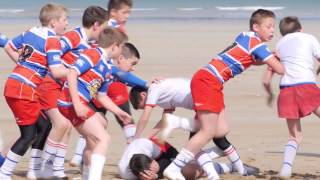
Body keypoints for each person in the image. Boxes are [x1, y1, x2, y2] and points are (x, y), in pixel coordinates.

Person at [163, 9, 285, 180]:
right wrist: (287, 58)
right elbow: (280, 69)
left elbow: (253, 60)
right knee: (207, 131)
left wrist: (270, 56)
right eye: (269, 26)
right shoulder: (256, 44)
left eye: (274, 27)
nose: (273, 30)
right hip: (208, 81)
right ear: (256, 27)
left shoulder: (245, 36)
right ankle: (175, 167)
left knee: (221, 130)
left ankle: (187, 134)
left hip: (211, 81)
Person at [36, 6, 109, 178]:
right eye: (105, 28)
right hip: (51, 84)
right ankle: (45, 167)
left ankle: (59, 170)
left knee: (88, 124)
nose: (106, 32)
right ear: (97, 25)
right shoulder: (74, 36)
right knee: (62, 124)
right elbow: (53, 53)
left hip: (64, 87)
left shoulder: (92, 44)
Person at [0, 3, 69, 179]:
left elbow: (9, 46)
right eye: (64, 20)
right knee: (28, 135)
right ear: (53, 22)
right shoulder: (52, 40)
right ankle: (5, 172)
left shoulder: (31, 31)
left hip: (15, 84)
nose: (67, 24)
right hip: (24, 90)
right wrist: (75, 72)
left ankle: (33, 169)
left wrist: (24, 65)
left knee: (43, 124)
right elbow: (56, 71)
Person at [130, 78, 248, 176]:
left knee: (200, 144)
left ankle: (237, 171)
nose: (147, 107)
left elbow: (145, 117)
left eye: (143, 105)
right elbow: (165, 121)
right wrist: (146, 138)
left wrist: (136, 139)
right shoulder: (162, 97)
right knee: (215, 140)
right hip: (206, 98)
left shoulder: (154, 89)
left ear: (143, 94)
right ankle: (240, 169)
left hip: (204, 99)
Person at [262, 16, 320, 179]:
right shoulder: (309, 38)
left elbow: (266, 80)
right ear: (300, 29)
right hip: (307, 87)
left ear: (282, 33)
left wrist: (270, 95)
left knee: (295, 136)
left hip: (286, 91)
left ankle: (286, 170)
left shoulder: (280, 45)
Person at [119, 137, 239, 180]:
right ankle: (221, 161)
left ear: (152, 159)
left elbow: (169, 158)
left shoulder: (148, 147)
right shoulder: (126, 173)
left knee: (186, 169)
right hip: (145, 154)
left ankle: (214, 153)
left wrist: (158, 174)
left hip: (161, 146)